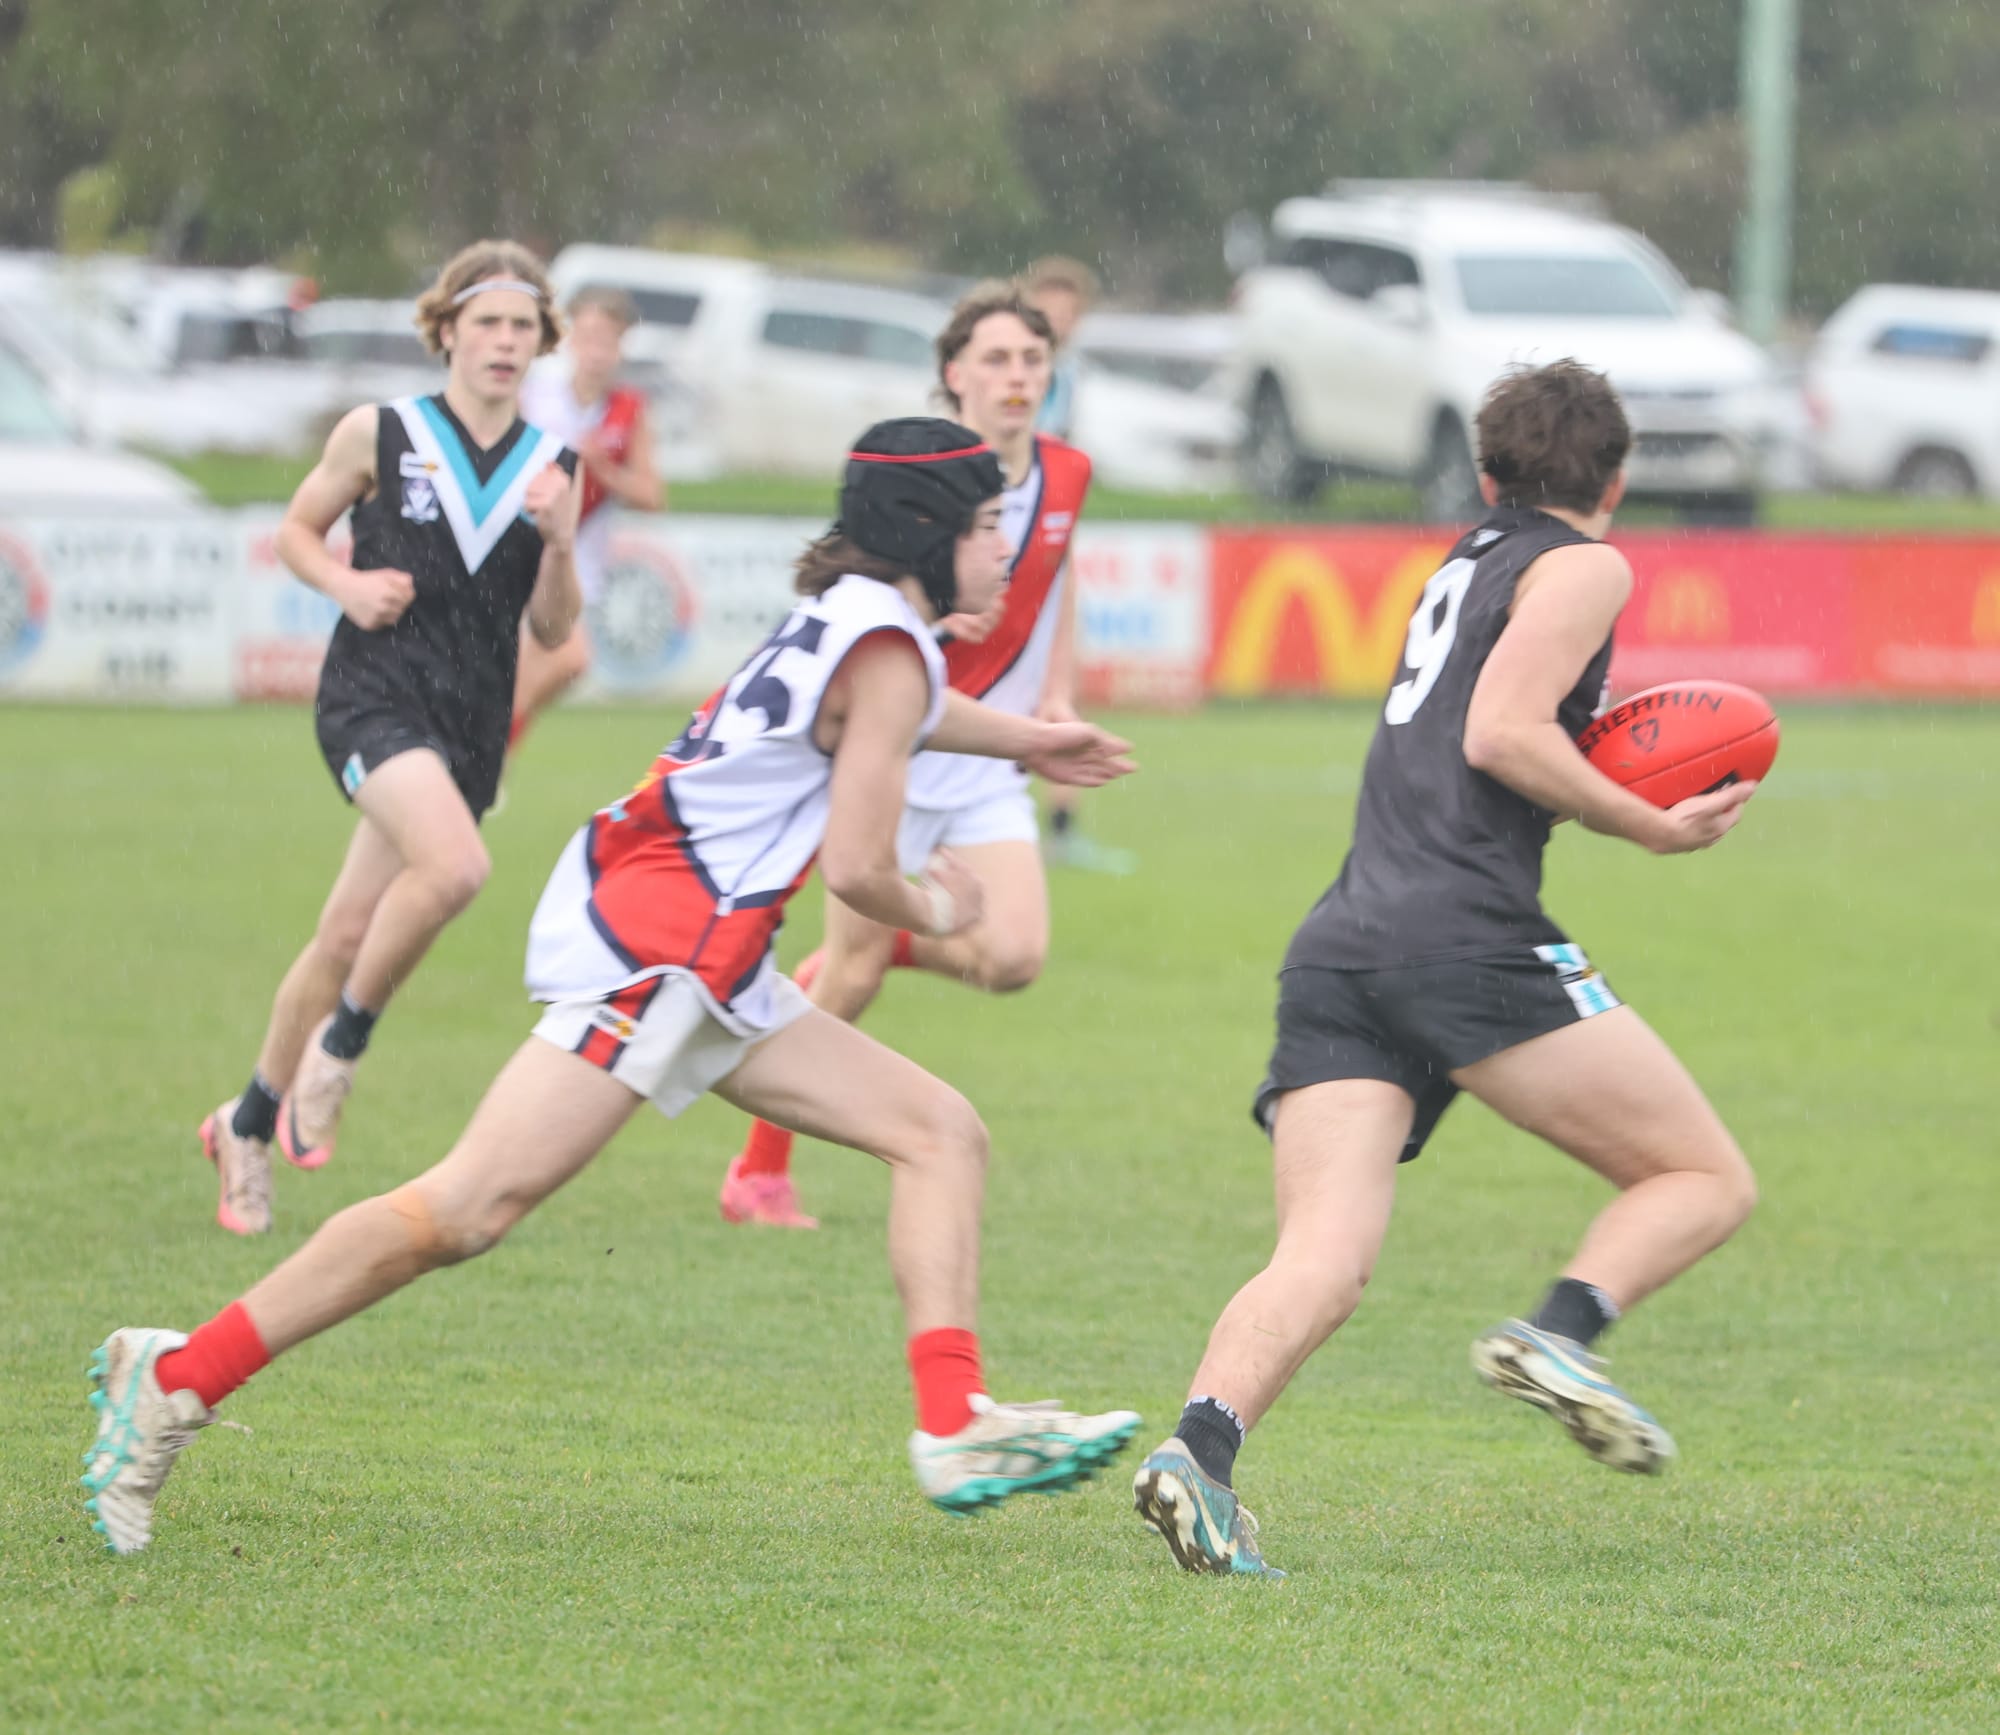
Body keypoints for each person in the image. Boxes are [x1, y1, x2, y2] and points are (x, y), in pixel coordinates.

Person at [80, 418, 1143, 1558]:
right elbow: (857, 867)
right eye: (986, 526)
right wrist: (940, 908)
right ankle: (178, 1376)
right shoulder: (889, 651)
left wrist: (1027, 742)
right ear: (926, 531)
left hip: (704, 944)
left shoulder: (860, 617)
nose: (1005, 548)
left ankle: (953, 1418)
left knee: (940, 1132)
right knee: (462, 1210)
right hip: (663, 944)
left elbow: (905, 707)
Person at [1130, 361, 1762, 1579]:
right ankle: (1557, 1333)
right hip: (1462, 934)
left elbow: (1479, 743)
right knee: (1700, 1174)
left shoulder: (1464, 563)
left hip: (1344, 942)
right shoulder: (1584, 563)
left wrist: (1576, 767)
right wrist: (1645, 820)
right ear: (1615, 477)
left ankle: (1197, 1452)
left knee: (1321, 1255)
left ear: (1484, 476)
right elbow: (1497, 732)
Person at [197, 241, 582, 1236]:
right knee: (455, 868)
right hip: (372, 699)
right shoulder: (380, 431)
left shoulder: (554, 466)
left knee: (342, 935)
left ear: (542, 342)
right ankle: (340, 1050)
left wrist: (561, 542)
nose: (505, 341)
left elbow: (551, 629)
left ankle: (246, 1125)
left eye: (523, 326)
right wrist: (345, 584)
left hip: (468, 723)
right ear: (447, 330)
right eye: (487, 322)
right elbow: (295, 531)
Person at [717, 284, 1093, 1229]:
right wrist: (933, 619)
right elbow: (854, 604)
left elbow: (1061, 573)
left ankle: (891, 931)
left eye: (1033, 360)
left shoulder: (1069, 473)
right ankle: (758, 1174)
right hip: (900, 751)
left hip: (986, 760)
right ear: (954, 374)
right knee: (847, 980)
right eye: (997, 359)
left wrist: (1056, 692)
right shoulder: (914, 478)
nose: (1017, 378)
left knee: (1014, 956)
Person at [1020, 255, 1136, 878]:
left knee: (1061, 679)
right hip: (1009, 549)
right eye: (1050, 307)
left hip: (1051, 546)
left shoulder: (1067, 375)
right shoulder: (1013, 373)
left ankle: (1061, 828)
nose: (1060, 320)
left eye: (1069, 311)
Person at [511, 285, 663, 746]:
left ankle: (489, 744)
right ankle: (490, 743)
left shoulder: (627, 410)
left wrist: (604, 469)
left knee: (547, 665)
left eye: (609, 340)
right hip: (522, 545)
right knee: (567, 657)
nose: (597, 351)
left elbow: (651, 496)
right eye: (589, 337)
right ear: (570, 339)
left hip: (578, 557)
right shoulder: (534, 397)